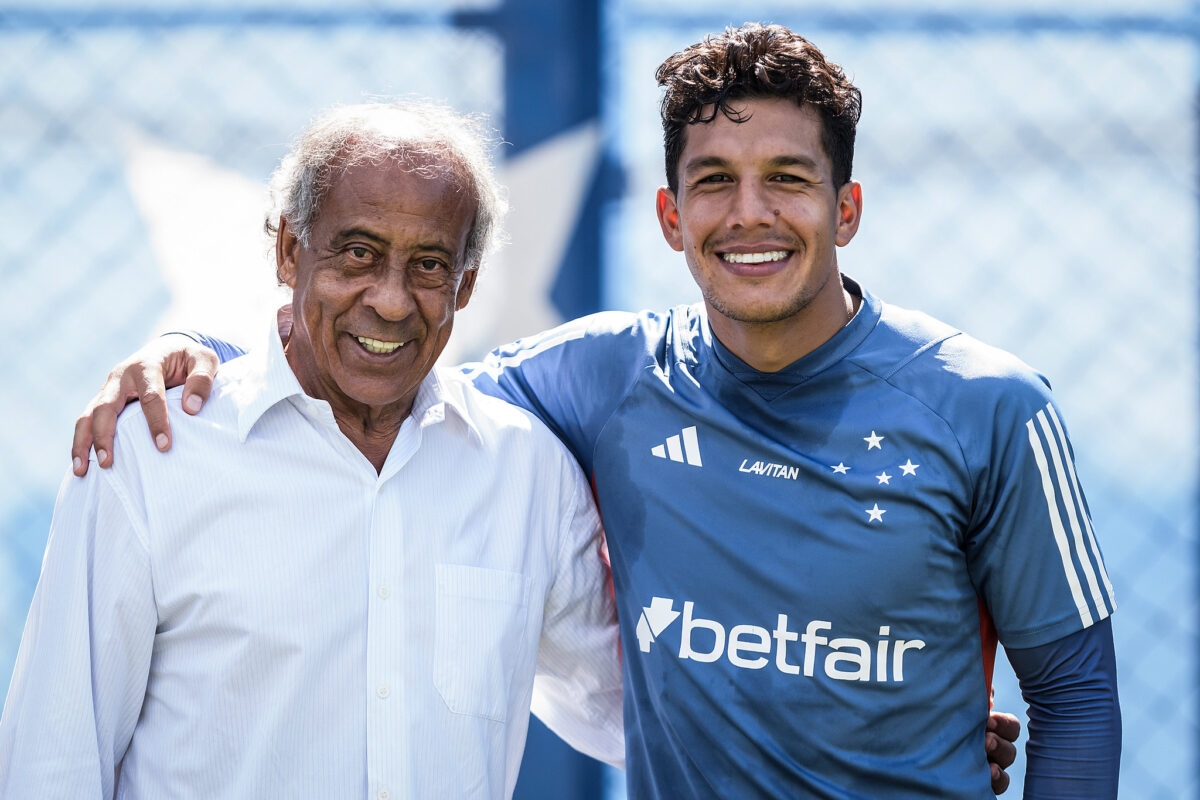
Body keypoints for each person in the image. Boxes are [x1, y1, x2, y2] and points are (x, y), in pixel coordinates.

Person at [63, 24, 1084, 798]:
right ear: (671, 216)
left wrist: (879, 726)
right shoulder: (589, 379)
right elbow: (364, 365)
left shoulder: (985, 403)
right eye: (716, 181)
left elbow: (1076, 696)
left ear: (846, 209)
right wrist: (204, 353)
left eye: (789, 180)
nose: (751, 214)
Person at [0, 102, 625, 799]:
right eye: (357, 252)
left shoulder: (529, 475)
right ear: (290, 251)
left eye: (428, 265)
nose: (390, 301)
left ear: (466, 286)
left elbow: (635, 717)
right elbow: (53, 762)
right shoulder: (150, 455)